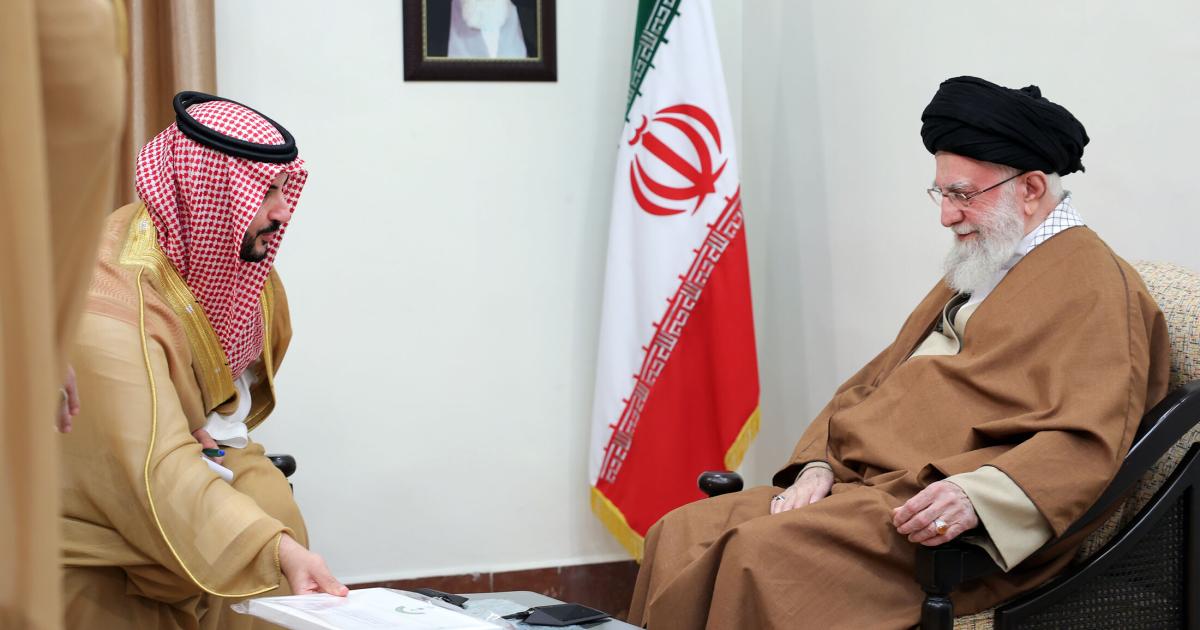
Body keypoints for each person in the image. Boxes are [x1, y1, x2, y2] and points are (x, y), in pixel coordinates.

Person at [628, 76, 1172, 629]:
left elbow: (1089, 440)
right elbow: (875, 382)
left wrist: (976, 496)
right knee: (681, 532)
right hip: (861, 488)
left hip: (939, 523)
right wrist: (818, 464)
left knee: (758, 558)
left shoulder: (1099, 287)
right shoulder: (988, 261)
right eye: (943, 194)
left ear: (1031, 188)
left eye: (963, 195)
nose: (947, 216)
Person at [59, 92, 347, 629]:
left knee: (272, 506)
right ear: (212, 194)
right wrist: (275, 549)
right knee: (267, 548)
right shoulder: (110, 301)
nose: (284, 210)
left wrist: (201, 428)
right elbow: (154, 466)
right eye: (267, 192)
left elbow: (221, 403)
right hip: (96, 510)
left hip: (185, 452)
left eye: (284, 189)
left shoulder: (227, 266)